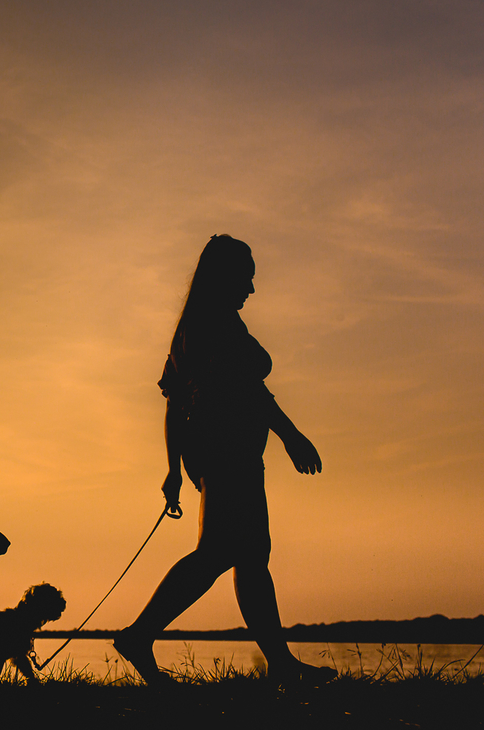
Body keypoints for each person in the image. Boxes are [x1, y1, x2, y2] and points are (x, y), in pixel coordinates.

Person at [113, 234, 335, 686]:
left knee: (249, 556)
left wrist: (175, 469)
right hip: (229, 452)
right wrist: (291, 436)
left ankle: (280, 664)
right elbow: (249, 393)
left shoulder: (195, 325)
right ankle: (140, 635)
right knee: (222, 554)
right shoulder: (217, 324)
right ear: (225, 276)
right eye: (246, 278)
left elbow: (174, 404)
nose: (251, 289)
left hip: (218, 452)